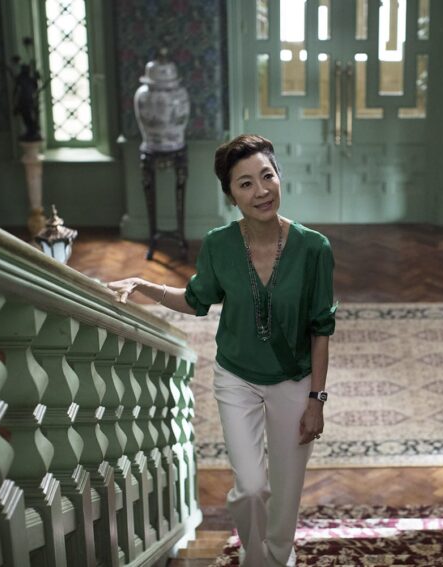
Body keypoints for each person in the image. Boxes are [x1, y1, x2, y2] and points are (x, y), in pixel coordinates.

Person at [107, 134, 335, 566]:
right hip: (238, 378)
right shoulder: (219, 245)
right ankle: (258, 559)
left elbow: (321, 328)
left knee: (285, 494)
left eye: (266, 176)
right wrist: (142, 284)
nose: (261, 190)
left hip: (294, 379)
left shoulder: (314, 248)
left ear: (279, 176)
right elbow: (195, 300)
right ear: (230, 194)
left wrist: (316, 400)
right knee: (250, 488)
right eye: (245, 183)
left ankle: (275, 558)